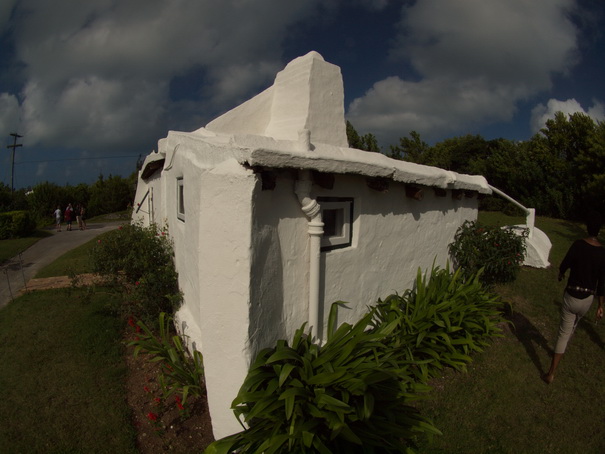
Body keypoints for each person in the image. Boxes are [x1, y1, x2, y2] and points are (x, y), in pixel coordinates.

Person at [543, 211, 605, 384]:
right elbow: (602, 283)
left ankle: (551, 373)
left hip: (572, 295)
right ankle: (560, 352)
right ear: (598, 231)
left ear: (587, 228)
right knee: (573, 326)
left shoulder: (578, 245)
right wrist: (601, 306)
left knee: (564, 332)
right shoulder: (602, 253)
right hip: (587, 300)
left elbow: (565, 263)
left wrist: (561, 274)